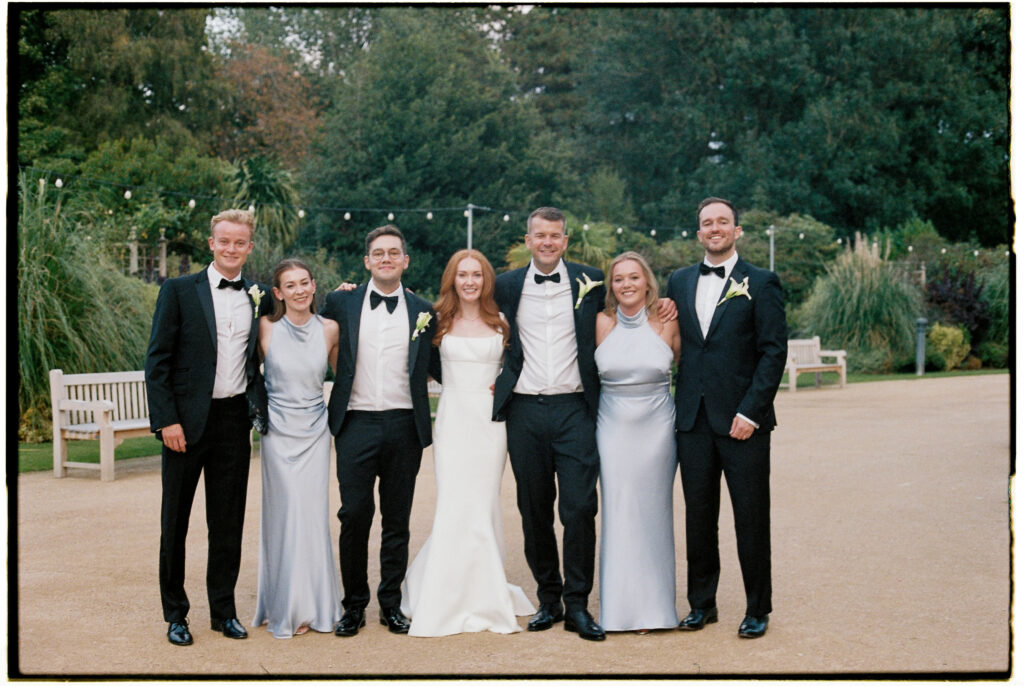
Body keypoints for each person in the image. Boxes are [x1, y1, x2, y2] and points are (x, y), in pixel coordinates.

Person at [145, 209, 272, 646]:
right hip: (184, 424)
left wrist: (343, 296)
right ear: (212, 243)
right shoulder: (179, 290)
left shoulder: (259, 296)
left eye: (240, 242)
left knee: (227, 523)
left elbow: (300, 308)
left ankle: (223, 612)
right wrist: (167, 420)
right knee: (174, 523)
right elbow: (157, 360)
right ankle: (176, 615)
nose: (231, 249)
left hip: (234, 422)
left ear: (249, 247)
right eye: (225, 241)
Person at [666, 197, 787, 639]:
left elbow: (773, 352)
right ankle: (702, 604)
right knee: (698, 518)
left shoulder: (762, 281)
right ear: (698, 232)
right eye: (707, 223)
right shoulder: (679, 280)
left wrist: (751, 412)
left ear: (737, 231)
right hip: (692, 421)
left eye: (722, 222)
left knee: (750, 518)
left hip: (743, 423)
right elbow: (678, 340)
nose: (714, 228)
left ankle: (757, 608)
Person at [400, 249, 535, 636]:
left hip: (490, 426)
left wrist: (501, 385)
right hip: (454, 421)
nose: (470, 281)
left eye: (477, 274)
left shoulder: (502, 321)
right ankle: (445, 592)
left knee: (482, 504)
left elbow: (519, 364)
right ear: (452, 280)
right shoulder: (436, 321)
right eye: (463, 275)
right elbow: (423, 362)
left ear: (487, 279)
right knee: (455, 504)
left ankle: (484, 590)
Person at [492, 207, 608, 641]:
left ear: (565, 240)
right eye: (539, 235)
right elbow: (462, 307)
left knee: (579, 508)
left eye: (554, 235)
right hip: (524, 410)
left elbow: (629, 303)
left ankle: (577, 604)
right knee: (534, 509)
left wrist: (664, 304)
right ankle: (549, 598)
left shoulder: (591, 281)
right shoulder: (505, 285)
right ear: (528, 240)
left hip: (575, 408)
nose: (547, 242)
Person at [320, 225, 439, 637]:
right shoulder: (340, 301)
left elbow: (439, 364)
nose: (386, 259)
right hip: (355, 422)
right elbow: (307, 333)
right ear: (367, 261)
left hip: (404, 424)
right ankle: (353, 605)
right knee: (353, 514)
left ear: (405, 261)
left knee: (397, 518)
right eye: (378, 253)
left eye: (393, 253)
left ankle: (391, 604)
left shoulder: (424, 309)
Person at [251, 259, 342, 638]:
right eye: (290, 285)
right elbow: (246, 375)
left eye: (304, 282)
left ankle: (314, 604)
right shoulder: (265, 328)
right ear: (278, 293)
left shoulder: (330, 329)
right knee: (285, 515)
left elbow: (347, 376)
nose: (299, 290)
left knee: (311, 515)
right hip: (278, 434)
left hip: (315, 433)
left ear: (314, 285)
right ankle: (285, 605)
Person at [594, 251, 681, 634]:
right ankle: (618, 609)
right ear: (611, 286)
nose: (626, 284)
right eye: (619, 279)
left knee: (653, 512)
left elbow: (686, 365)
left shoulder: (666, 320)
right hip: (612, 427)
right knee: (618, 510)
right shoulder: (602, 322)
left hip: (657, 428)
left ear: (647, 282)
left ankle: (655, 609)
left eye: (633, 277)